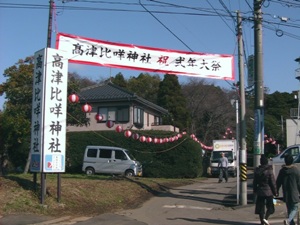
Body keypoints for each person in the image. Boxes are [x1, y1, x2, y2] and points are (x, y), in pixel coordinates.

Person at [253, 155, 277, 225]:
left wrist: (255, 190)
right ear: (266, 162)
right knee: (270, 207)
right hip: (268, 191)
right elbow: (273, 182)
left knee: (260, 208)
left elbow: (255, 182)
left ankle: (262, 221)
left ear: (260, 162)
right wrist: (275, 192)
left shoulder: (257, 171)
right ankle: (266, 218)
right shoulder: (269, 170)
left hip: (260, 191)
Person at [276, 154, 300, 225]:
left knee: (289, 209)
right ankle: (289, 220)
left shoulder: (282, 171)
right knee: (295, 207)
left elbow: (278, 182)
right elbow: (299, 183)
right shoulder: (295, 171)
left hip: (286, 193)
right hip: (294, 193)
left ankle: (291, 223)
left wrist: (276, 191)